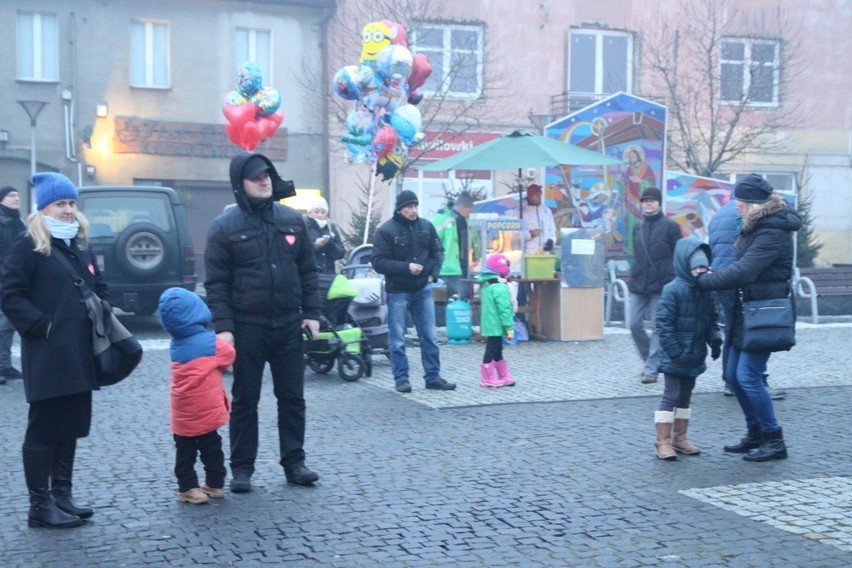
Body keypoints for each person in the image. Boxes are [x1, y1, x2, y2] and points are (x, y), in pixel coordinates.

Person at [205, 152, 322, 493]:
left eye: (267, 175)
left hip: (288, 324)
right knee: (245, 400)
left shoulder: (291, 219)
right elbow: (216, 283)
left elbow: (308, 272)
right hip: (247, 327)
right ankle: (241, 468)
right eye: (255, 177)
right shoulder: (224, 227)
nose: (264, 181)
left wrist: (312, 313)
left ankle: (294, 463)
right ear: (240, 184)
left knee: (292, 398)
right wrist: (224, 327)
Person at [1, 172, 105, 528]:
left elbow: (99, 287)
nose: (68, 210)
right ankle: (39, 506)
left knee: (71, 424)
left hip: (79, 352)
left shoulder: (81, 244)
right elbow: (10, 295)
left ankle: (62, 495)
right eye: (61, 204)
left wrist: (102, 311)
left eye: (72, 203)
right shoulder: (26, 245)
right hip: (46, 353)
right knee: (44, 427)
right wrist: (43, 326)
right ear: (43, 208)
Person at [697, 174, 800, 462]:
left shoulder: (772, 231)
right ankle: (755, 432)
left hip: (763, 312)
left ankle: (774, 438)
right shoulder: (756, 225)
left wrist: (706, 281)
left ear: (754, 203)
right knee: (732, 375)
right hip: (746, 309)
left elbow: (745, 270)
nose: (737, 207)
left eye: (740, 202)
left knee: (748, 376)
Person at [371, 190, 455, 393]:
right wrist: (405, 267)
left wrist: (432, 275)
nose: (413, 210)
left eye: (415, 206)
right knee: (398, 338)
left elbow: (438, 252)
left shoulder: (426, 226)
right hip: (398, 290)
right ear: (400, 209)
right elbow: (378, 262)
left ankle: (433, 377)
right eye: (408, 207)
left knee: (429, 336)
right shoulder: (386, 231)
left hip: (423, 288)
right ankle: (401, 379)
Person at [159, 287, 236, 505]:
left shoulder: (177, 343)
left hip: (183, 410)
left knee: (185, 452)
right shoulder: (210, 343)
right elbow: (229, 354)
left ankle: (187, 486)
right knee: (212, 447)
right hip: (206, 409)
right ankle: (215, 483)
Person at [708, 199, 786, 400]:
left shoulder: (719, 214)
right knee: (753, 328)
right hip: (740, 278)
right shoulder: (753, 217)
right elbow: (747, 261)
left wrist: (711, 278)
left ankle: (731, 380)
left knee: (732, 327)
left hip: (720, 276)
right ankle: (753, 381)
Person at [653, 238, 722, 460]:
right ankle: (662, 441)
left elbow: (711, 319)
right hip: (677, 355)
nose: (700, 272)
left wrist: (715, 339)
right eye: (696, 268)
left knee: (685, 396)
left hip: (694, 354)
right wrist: (675, 352)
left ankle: (679, 438)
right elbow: (663, 326)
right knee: (671, 395)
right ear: (685, 265)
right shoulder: (672, 290)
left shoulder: (705, 290)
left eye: (704, 267)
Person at [628, 187, 682, 384]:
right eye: (645, 200)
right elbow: (637, 254)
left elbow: (678, 254)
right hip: (640, 281)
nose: (648, 203)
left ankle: (651, 368)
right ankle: (650, 360)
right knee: (633, 324)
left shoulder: (671, 226)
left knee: (659, 326)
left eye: (652, 200)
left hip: (663, 282)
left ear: (659, 203)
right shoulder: (638, 227)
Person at [477, 253, 517, 388]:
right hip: (497, 323)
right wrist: (509, 327)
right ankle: (487, 377)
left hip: (490, 322)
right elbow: (504, 309)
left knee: (497, 348)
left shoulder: (487, 284)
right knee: (492, 348)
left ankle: (503, 376)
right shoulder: (500, 287)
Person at [0, 186, 26, 384]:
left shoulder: (18, 221)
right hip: (2, 278)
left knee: (8, 325)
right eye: (12, 195)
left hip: (13, 279)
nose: (17, 198)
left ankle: (5, 366)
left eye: (18, 195)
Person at [431, 193, 474, 300]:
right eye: (470, 209)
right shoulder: (441, 219)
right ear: (465, 207)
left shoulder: (468, 220)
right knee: (443, 303)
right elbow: (429, 241)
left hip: (464, 270)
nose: (471, 212)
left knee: (461, 303)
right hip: (445, 270)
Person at [303, 195, 346, 276]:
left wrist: (330, 243)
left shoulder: (331, 228)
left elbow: (340, 254)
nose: (320, 215)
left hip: (329, 274)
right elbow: (300, 251)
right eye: (316, 212)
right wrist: (315, 245)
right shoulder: (304, 226)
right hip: (310, 275)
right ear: (309, 212)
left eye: (323, 212)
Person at [522, 184, 556, 254]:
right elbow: (515, 235)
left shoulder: (546, 211)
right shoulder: (522, 212)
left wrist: (551, 240)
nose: (538, 197)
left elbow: (552, 230)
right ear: (529, 197)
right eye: (535, 195)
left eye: (539, 194)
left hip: (544, 254)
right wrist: (530, 234)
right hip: (528, 254)